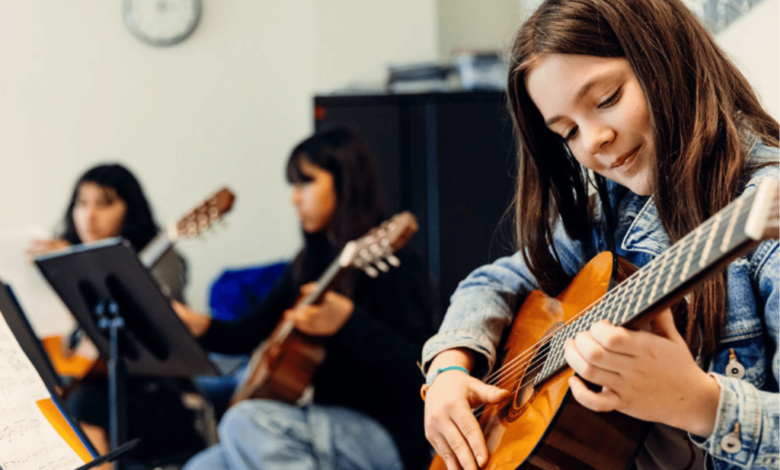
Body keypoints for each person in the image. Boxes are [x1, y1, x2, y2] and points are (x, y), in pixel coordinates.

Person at [420, 1, 779, 469]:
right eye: (567, 132)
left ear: (668, 58)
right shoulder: (614, 210)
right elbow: (495, 281)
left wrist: (699, 403)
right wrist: (449, 366)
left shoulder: (764, 217)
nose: (591, 142)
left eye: (607, 99)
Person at [175, 126, 436, 470]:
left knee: (243, 422)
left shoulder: (394, 263)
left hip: (387, 435)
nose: (294, 198)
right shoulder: (310, 261)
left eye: (306, 183)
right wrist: (199, 324)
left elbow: (422, 370)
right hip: (320, 424)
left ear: (344, 182)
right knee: (201, 467)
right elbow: (250, 332)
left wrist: (349, 323)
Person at [27, 163, 203, 467]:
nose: (89, 216)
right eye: (82, 203)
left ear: (129, 210)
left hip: (159, 396)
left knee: (86, 403)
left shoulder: (164, 259)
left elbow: (146, 329)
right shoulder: (59, 258)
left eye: (105, 203)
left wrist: (76, 266)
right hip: (88, 385)